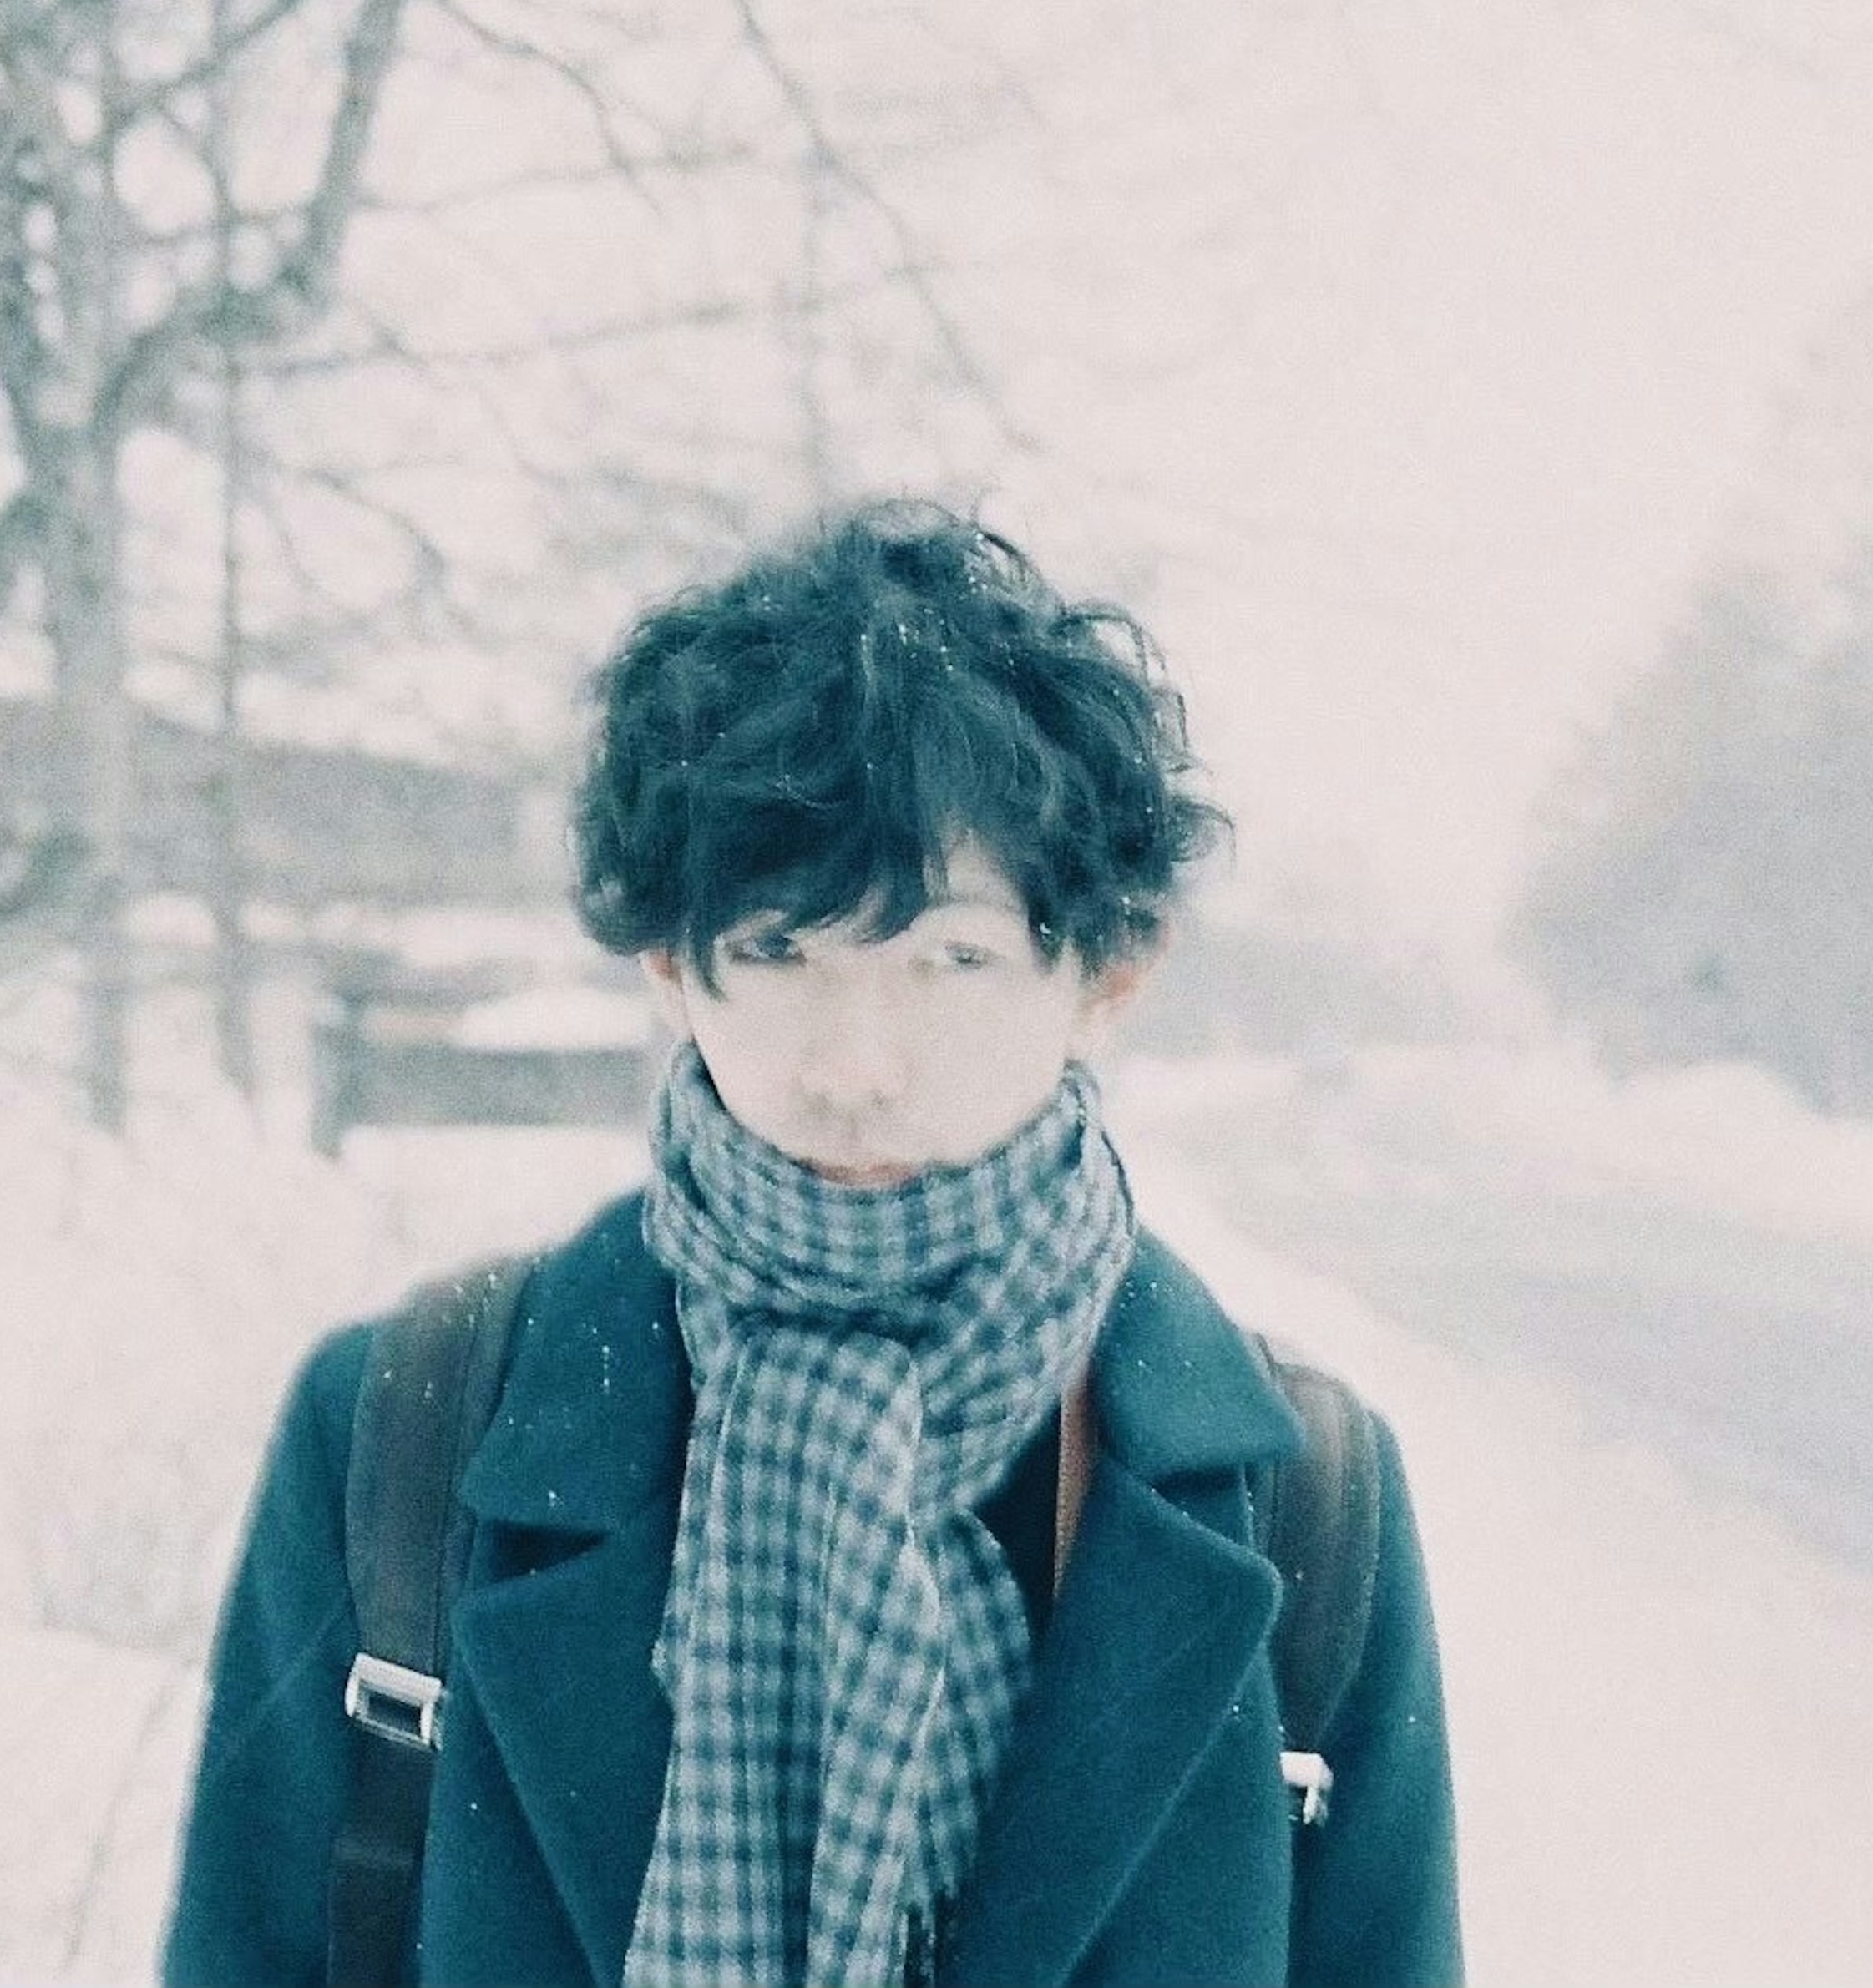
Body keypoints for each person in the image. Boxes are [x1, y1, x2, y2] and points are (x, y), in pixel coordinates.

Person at [163, 499, 1461, 1986]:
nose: (857, 1061)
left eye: (951, 960)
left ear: (1104, 972)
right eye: (779, 951)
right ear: (670, 962)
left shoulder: (1300, 1499)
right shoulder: (414, 1425)